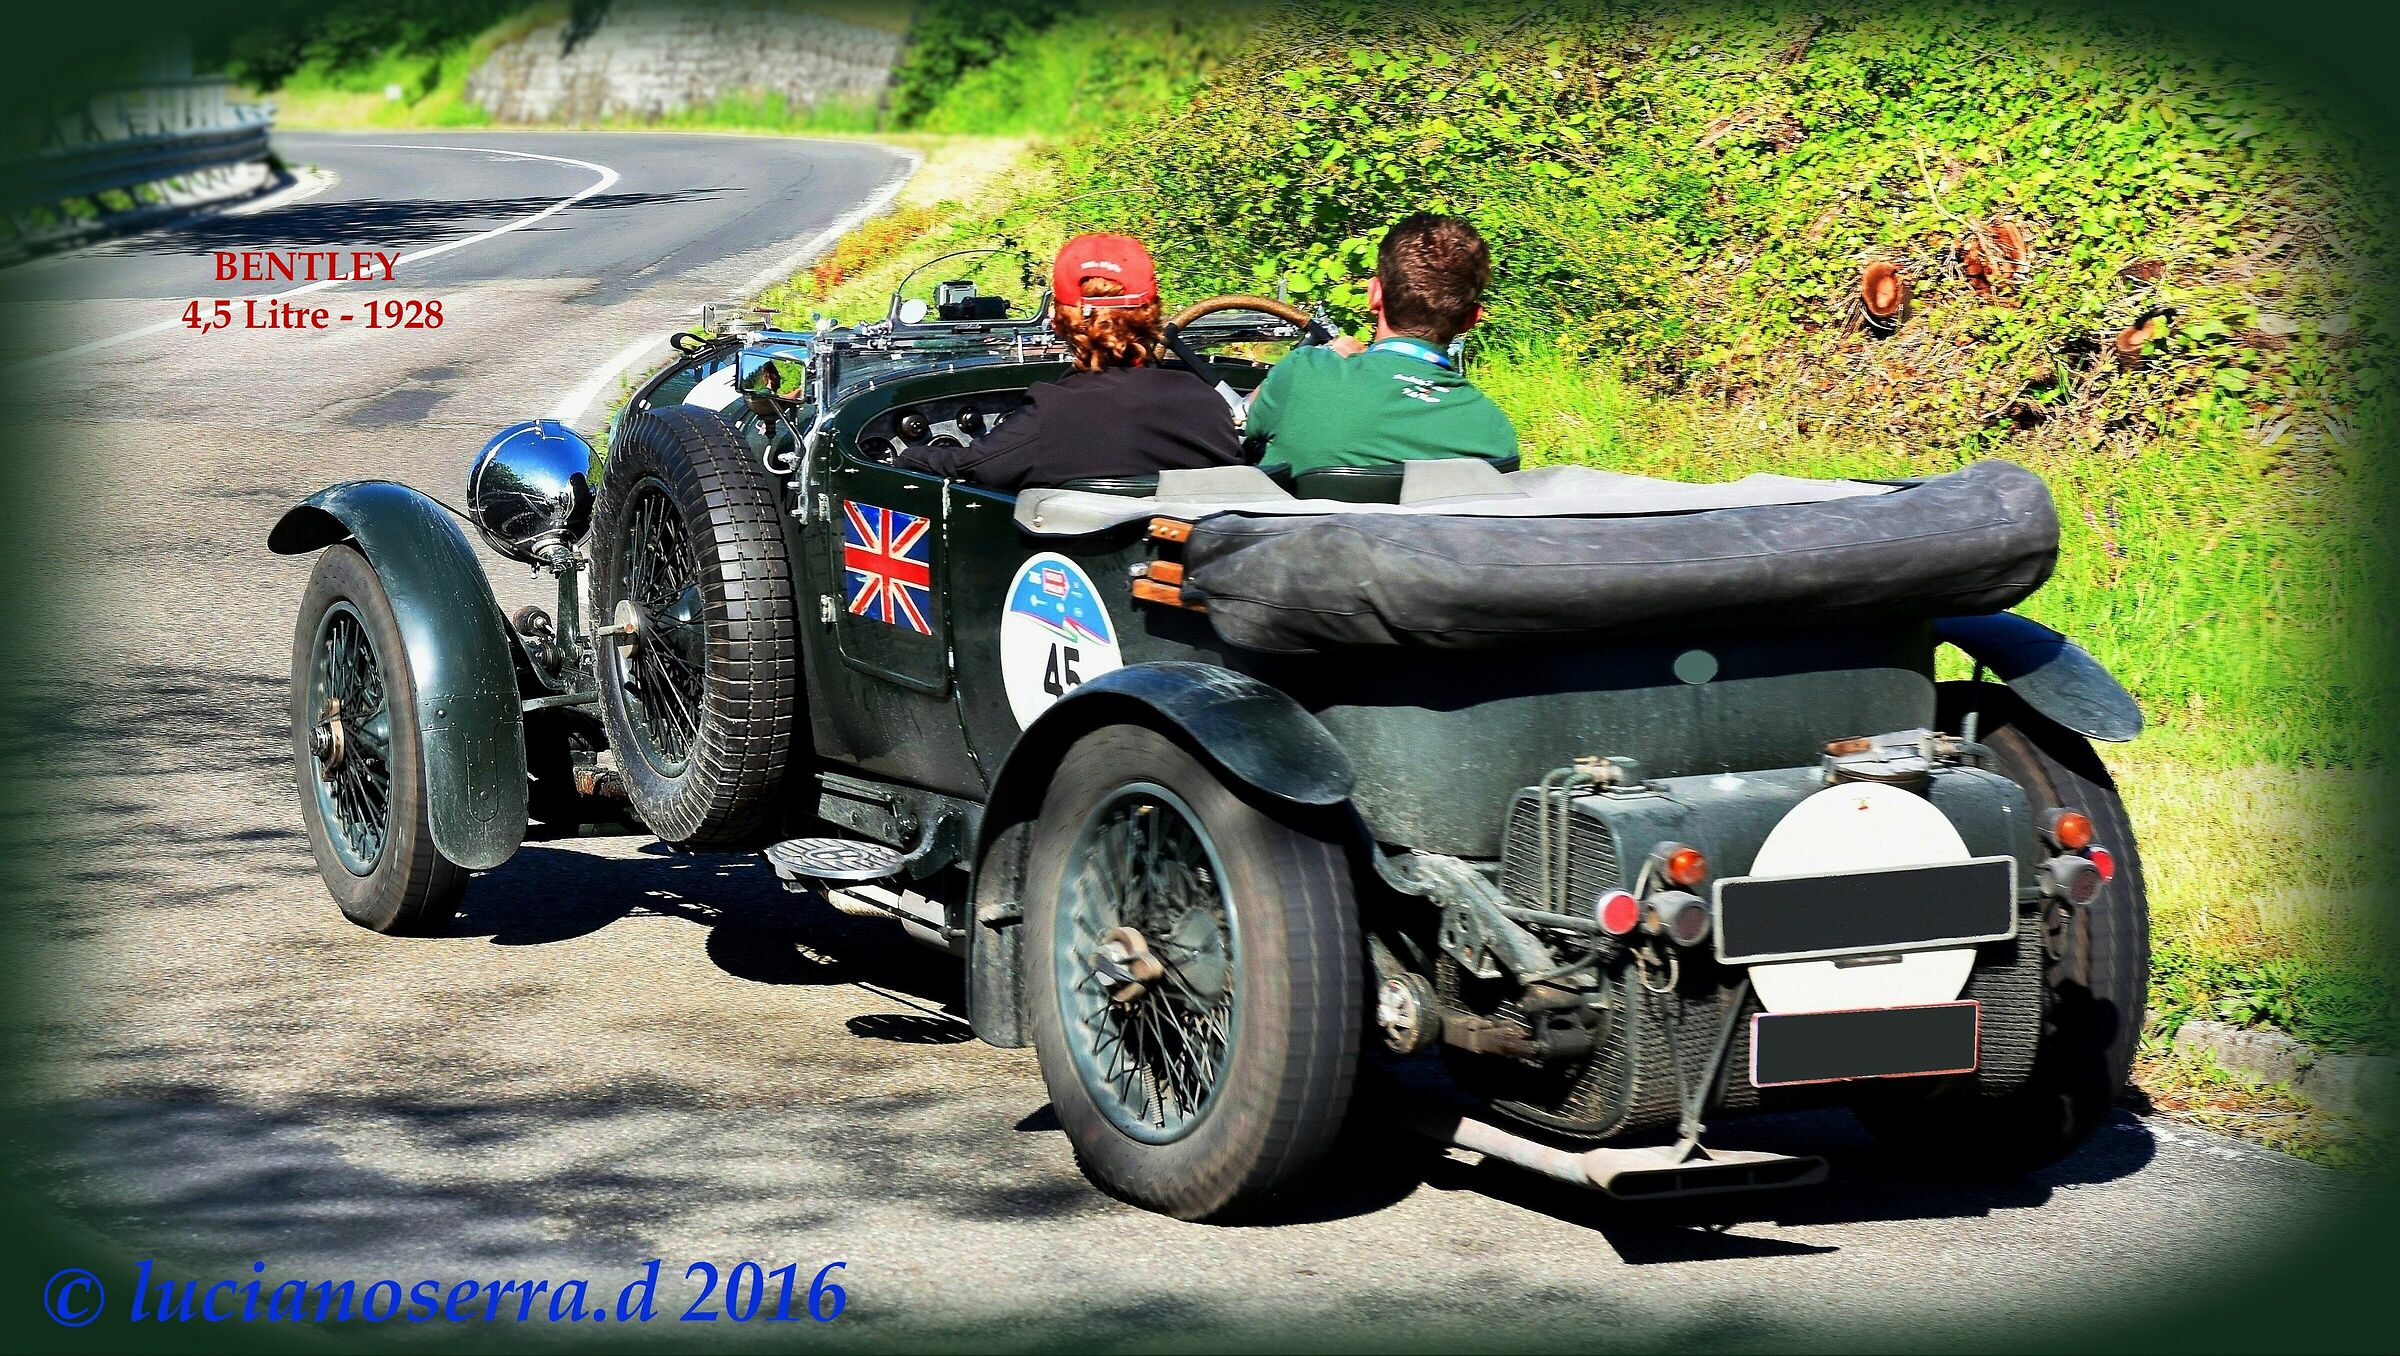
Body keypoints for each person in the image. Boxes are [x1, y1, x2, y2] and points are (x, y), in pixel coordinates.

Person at [895, 234, 1243, 493]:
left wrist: (909, 457)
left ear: (1058, 320)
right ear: (1151, 312)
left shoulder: (1053, 412)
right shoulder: (1206, 406)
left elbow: (970, 469)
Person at [1243, 213, 1518, 475]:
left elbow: (1239, 422)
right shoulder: (1492, 433)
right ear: (1471, 319)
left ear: (1374, 294)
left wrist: (1326, 355)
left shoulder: (1302, 374)